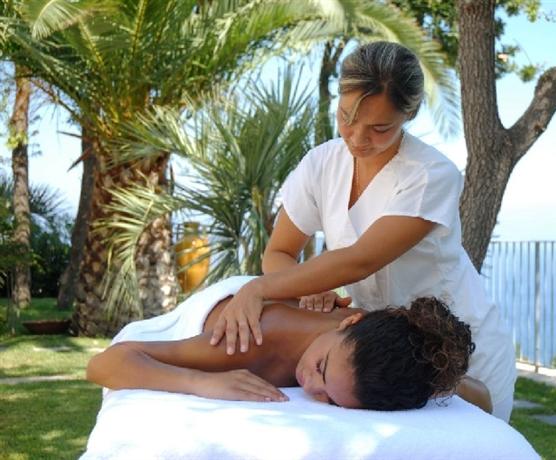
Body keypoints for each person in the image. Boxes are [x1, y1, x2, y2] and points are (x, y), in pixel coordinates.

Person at [208, 41, 516, 421]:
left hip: (460, 352)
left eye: (379, 128)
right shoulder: (321, 164)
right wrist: (306, 289)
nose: (356, 138)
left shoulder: (430, 174)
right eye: (346, 118)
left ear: (409, 114)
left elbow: (360, 260)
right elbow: (279, 252)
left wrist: (259, 288)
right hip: (375, 361)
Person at [87, 279, 489, 412]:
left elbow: (483, 399)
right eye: (321, 367)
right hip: (220, 313)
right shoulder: (250, 340)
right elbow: (105, 364)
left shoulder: (380, 341)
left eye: (330, 399)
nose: (310, 386)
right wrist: (204, 382)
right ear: (350, 322)